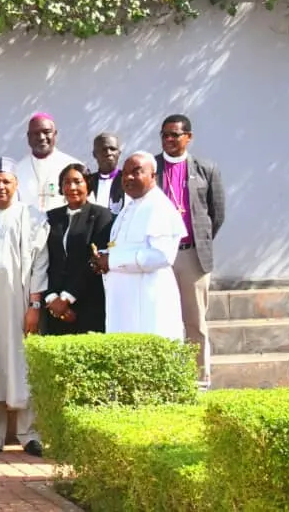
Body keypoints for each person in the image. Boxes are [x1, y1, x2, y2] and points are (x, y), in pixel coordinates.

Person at [0, 158, 50, 458]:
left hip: (19, 302)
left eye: (6, 181)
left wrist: (34, 305)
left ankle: (28, 434)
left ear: (16, 184)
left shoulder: (31, 217)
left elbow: (39, 265)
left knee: (21, 363)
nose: (1, 187)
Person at [155, 114, 225, 386]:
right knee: (161, 317)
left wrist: (199, 241)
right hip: (159, 254)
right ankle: (166, 380)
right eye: (165, 135)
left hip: (191, 254)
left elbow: (216, 214)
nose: (169, 140)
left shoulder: (206, 168)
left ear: (189, 137)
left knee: (194, 321)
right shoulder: (151, 166)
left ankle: (199, 380)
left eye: (175, 135)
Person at [93, 152, 187, 341]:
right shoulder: (131, 205)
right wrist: (103, 257)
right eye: (125, 173)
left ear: (153, 176)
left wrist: (112, 261)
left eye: (136, 172)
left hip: (147, 301)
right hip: (125, 300)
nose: (128, 177)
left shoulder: (159, 206)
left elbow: (162, 256)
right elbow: (124, 247)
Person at [44, 164, 114, 335]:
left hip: (88, 301)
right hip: (54, 305)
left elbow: (94, 260)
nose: (72, 187)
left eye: (77, 181)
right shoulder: (51, 217)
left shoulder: (101, 216)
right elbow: (44, 258)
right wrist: (52, 298)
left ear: (88, 184)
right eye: (66, 182)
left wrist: (67, 298)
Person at [15, 113, 82, 211]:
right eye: (36, 133)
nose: (41, 137)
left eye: (47, 132)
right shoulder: (17, 170)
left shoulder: (73, 167)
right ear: (28, 137)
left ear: (55, 134)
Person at [86, 133, 125, 214]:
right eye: (103, 149)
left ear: (119, 153)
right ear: (94, 154)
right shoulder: (87, 181)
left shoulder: (127, 180)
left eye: (112, 149)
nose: (108, 152)